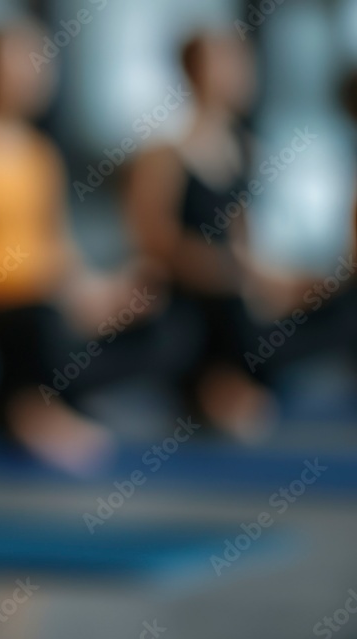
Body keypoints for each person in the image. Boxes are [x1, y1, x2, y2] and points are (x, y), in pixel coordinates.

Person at [0, 22, 155, 475]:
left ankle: (43, 397)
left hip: (44, 298)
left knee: (157, 315)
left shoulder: (41, 157)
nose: (32, 75)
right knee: (41, 321)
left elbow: (56, 247)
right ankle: (28, 407)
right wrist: (10, 285)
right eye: (18, 64)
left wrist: (95, 289)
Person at [125, 31, 278, 439]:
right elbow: (155, 240)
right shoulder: (164, 152)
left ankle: (229, 381)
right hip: (187, 291)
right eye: (222, 63)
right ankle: (212, 382)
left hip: (232, 287)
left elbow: (243, 237)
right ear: (193, 71)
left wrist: (266, 279)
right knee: (221, 311)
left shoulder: (244, 148)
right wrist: (222, 271)